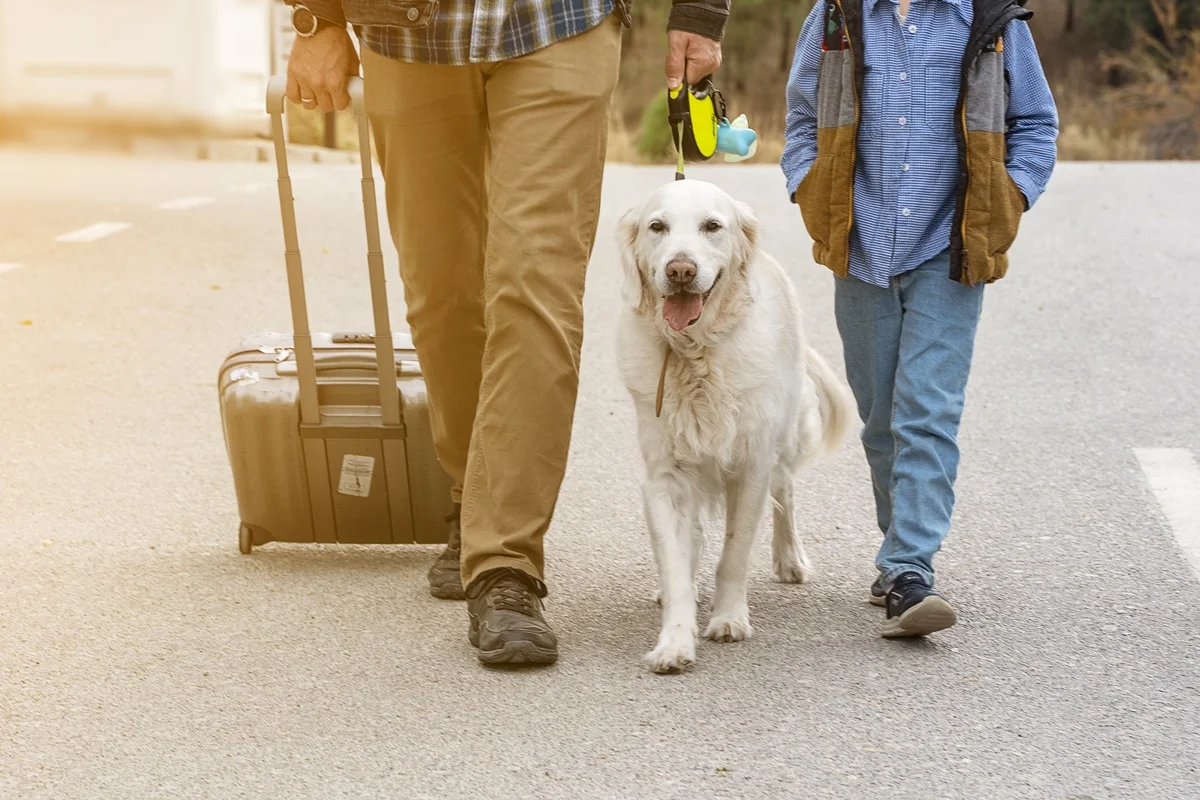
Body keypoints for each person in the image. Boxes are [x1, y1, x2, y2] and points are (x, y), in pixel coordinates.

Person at [283, 0, 728, 666]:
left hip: (559, 23)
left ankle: (505, 564)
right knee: (444, 290)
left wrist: (699, 11)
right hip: (403, 33)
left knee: (536, 286)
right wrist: (317, 20)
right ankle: (473, 496)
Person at [782, 0, 1058, 637]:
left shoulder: (993, 21)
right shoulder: (837, 16)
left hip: (952, 245)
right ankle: (897, 553)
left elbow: (1036, 124)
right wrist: (809, 185)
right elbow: (802, 115)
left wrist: (1010, 195)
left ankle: (910, 569)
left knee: (926, 410)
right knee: (880, 416)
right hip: (861, 244)